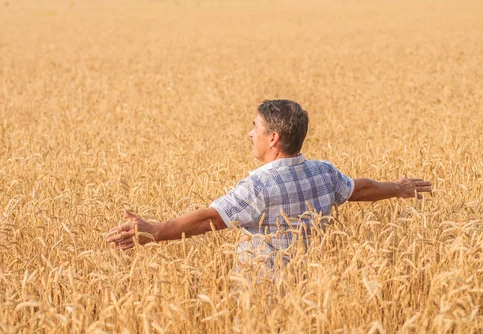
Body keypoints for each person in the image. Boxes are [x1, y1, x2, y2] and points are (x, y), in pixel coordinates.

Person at [106, 100, 432, 268]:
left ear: (273, 137)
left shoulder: (259, 185)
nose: (250, 134)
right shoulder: (323, 172)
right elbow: (357, 189)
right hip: (311, 290)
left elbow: (212, 218)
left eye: (255, 128)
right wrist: (397, 188)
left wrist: (155, 231)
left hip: (263, 295)